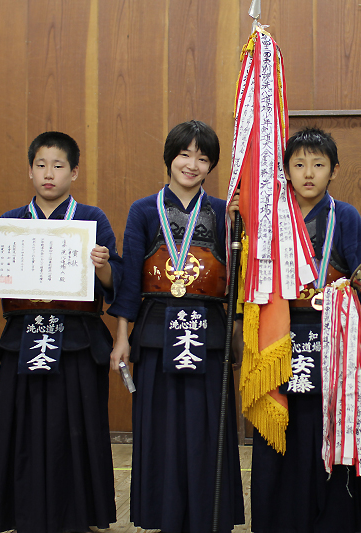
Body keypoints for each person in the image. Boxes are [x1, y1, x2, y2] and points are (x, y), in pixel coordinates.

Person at [0, 131, 118, 533]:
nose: (48, 174)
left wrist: (102, 264)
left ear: (74, 172)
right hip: (24, 338)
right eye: (41, 165)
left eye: (58, 166)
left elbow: (113, 285)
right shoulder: (12, 222)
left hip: (76, 340)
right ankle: (23, 513)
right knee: (23, 427)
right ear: (30, 171)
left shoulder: (93, 219)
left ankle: (79, 515)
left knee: (77, 428)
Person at [109, 120, 244, 533]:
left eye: (203, 158)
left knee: (207, 427)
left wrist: (242, 224)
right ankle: (163, 515)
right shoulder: (144, 209)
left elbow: (239, 278)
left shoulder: (225, 211)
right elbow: (130, 278)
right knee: (161, 429)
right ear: (170, 157)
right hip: (154, 331)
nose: (192, 164)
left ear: (211, 166)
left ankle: (210, 516)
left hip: (209, 331)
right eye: (185, 154)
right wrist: (121, 338)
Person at [249, 127, 361, 533]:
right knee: (284, 430)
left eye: (318, 165)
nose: (308, 173)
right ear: (285, 171)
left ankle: (335, 520)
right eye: (299, 165)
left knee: (329, 427)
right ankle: (279, 520)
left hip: (334, 339)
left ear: (334, 171)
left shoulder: (347, 216)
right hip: (279, 337)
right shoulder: (270, 217)